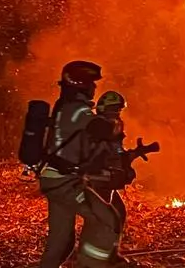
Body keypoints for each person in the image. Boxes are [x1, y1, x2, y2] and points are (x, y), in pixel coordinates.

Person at [39, 61, 122, 268]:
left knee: (59, 244)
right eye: (91, 83)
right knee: (106, 219)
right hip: (64, 183)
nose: (94, 88)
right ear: (80, 84)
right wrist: (114, 119)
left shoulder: (66, 108)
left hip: (54, 179)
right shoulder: (77, 111)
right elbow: (103, 129)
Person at [90, 90, 131, 263]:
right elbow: (97, 154)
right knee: (106, 216)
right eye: (113, 109)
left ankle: (109, 252)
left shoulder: (113, 125)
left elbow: (116, 150)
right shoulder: (98, 126)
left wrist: (126, 161)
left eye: (118, 109)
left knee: (118, 213)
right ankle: (99, 256)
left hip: (107, 178)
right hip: (98, 179)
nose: (116, 113)